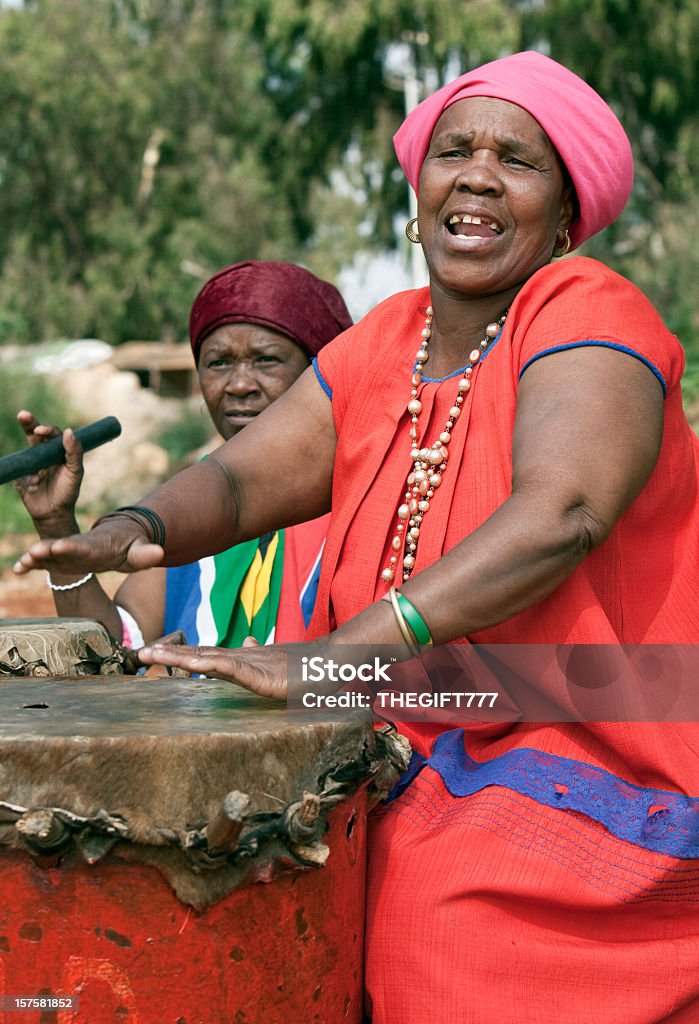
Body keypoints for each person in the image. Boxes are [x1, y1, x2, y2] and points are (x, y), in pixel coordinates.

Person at [14, 51, 699, 1023]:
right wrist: (126, 530)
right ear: (418, 185)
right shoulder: (387, 337)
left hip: (588, 731)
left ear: (565, 213)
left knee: (438, 922)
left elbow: (565, 511)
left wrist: (338, 660)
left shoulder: (586, 308)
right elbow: (243, 476)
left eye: (518, 160)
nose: (476, 174)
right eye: (455, 149)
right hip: (421, 723)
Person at [15, 260, 352, 647]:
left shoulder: (366, 496)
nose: (239, 384)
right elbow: (116, 647)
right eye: (218, 363)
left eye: (266, 360)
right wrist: (56, 523)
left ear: (321, 375)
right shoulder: (192, 505)